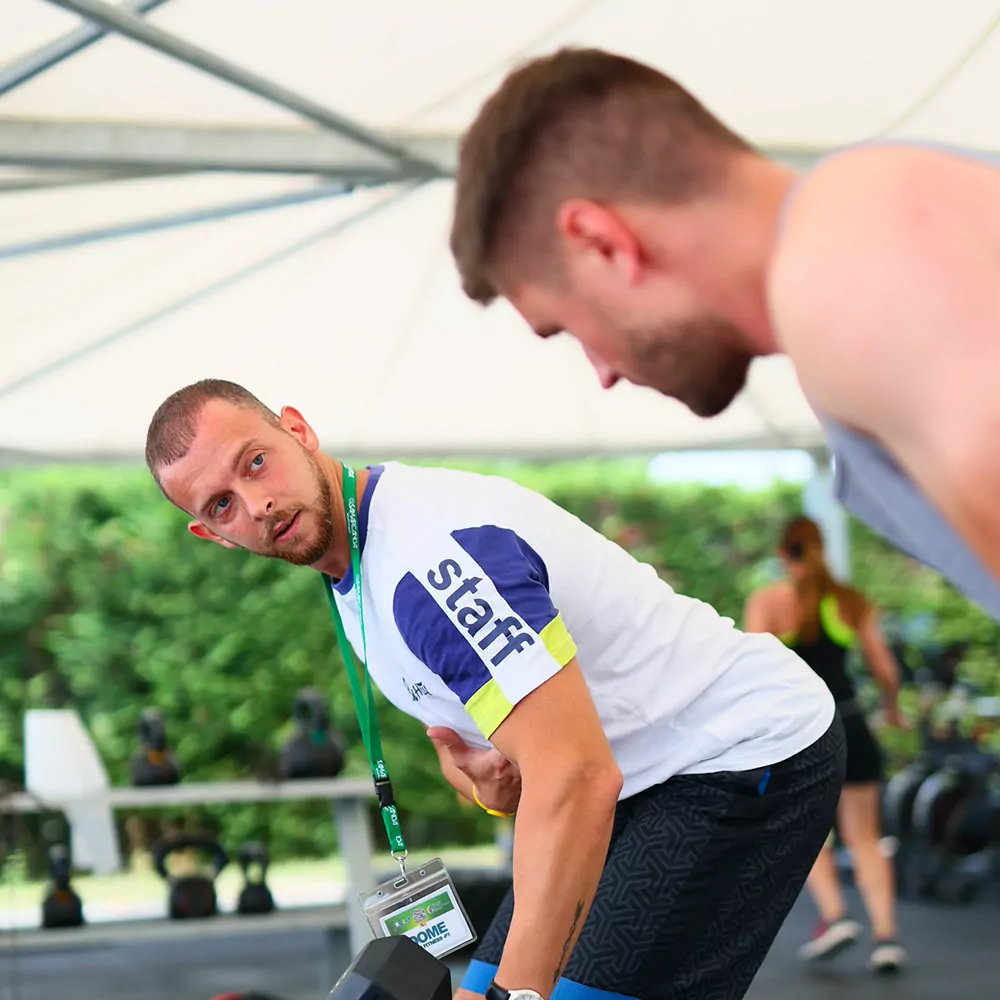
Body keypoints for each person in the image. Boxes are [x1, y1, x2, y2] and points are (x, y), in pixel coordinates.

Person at [146, 379, 844, 1000]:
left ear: (297, 430)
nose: (259, 503)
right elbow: (513, 762)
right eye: (224, 504)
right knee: (479, 987)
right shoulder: (351, 572)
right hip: (628, 776)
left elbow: (573, 773)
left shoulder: (423, 558)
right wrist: (486, 785)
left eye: (256, 462)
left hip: (735, 751)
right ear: (213, 536)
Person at [449, 47, 1000, 620]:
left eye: (564, 327)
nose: (603, 373)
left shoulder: (845, 274)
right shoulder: (864, 230)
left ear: (600, 243)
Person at [743, 516, 906, 974]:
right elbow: (886, 672)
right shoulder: (850, 601)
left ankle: (835, 915)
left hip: (806, 731)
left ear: (782, 554)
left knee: (808, 831)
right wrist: (892, 707)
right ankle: (887, 937)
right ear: (820, 549)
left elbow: (755, 666)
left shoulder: (769, 600)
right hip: (854, 724)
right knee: (867, 837)